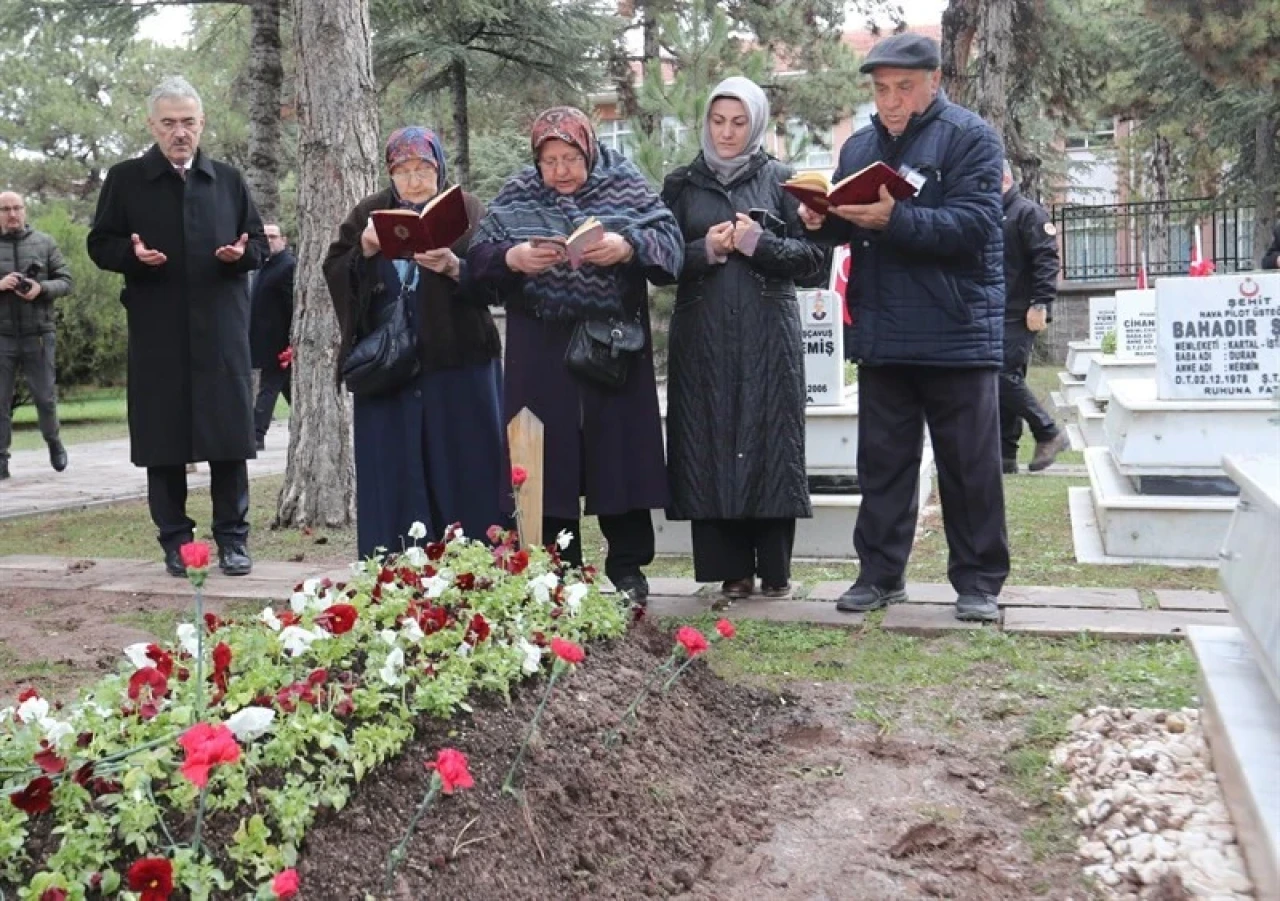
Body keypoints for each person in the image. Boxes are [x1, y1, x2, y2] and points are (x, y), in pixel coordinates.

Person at [798, 33, 1009, 622]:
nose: (891, 101)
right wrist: (819, 220)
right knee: (883, 464)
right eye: (881, 89)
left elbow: (973, 226)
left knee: (969, 467)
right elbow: (847, 229)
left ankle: (978, 582)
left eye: (904, 88)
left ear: (934, 82)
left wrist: (897, 220)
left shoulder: (971, 138)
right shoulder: (860, 146)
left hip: (956, 330)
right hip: (884, 332)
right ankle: (880, 575)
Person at [467, 107, 684, 605]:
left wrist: (626, 247)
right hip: (539, 349)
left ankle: (628, 571)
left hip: (612, 345)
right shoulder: (519, 192)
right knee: (544, 457)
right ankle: (553, 572)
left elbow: (671, 246)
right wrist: (512, 257)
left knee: (619, 455)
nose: (560, 171)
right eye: (549, 160)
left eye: (570, 158)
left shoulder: (625, 183)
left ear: (589, 151)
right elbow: (476, 261)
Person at [87, 76, 267, 578]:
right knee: (164, 439)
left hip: (220, 331)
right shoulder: (125, 180)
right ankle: (176, 541)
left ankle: (233, 540)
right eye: (168, 123)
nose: (179, 132)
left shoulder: (227, 180)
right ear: (152, 126)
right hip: (158, 331)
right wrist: (132, 254)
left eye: (188, 122)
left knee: (228, 439)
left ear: (202, 123)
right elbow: (99, 244)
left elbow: (260, 245)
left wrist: (238, 255)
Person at [661, 77, 827, 604]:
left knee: (770, 439)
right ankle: (729, 568)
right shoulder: (681, 184)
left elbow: (813, 264)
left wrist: (760, 243)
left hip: (766, 333)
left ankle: (775, 567)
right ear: (705, 122)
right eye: (717, 121)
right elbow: (659, 265)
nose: (727, 132)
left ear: (755, 123)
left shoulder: (784, 181)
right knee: (708, 439)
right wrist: (703, 249)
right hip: (703, 332)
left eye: (738, 122)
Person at [324, 127, 506, 559]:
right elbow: (334, 269)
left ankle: (472, 565)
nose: (414, 179)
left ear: (439, 167)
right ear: (390, 174)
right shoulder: (369, 211)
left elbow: (498, 280)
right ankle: (394, 567)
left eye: (423, 167)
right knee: (394, 471)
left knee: (467, 470)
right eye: (402, 170)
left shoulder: (468, 209)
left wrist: (456, 268)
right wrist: (365, 251)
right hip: (388, 372)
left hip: (459, 364)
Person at [999, 161, 1066, 474]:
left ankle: (1048, 431)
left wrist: (1041, 302)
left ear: (1005, 178)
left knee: (1002, 374)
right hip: (997, 310)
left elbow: (1047, 260)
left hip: (1022, 311)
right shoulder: (992, 213)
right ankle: (1005, 454)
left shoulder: (1028, 213)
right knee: (1006, 378)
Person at [0, 191, 73, 481]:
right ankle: (1, 459)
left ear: (25, 210)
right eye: (5, 209)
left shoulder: (44, 242)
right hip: (2, 335)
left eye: (17, 208)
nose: (12, 214)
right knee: (0, 401)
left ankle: (54, 443)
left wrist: (40, 289)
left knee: (44, 397)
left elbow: (66, 281)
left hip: (38, 333)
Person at [250, 223, 295, 450]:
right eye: (265, 236)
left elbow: (293, 306)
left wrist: (291, 342)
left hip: (281, 344)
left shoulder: (288, 266)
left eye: (273, 236)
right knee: (289, 388)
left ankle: (256, 435)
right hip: (265, 340)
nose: (269, 240)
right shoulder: (263, 266)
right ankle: (300, 426)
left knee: (268, 388)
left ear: (283, 240)